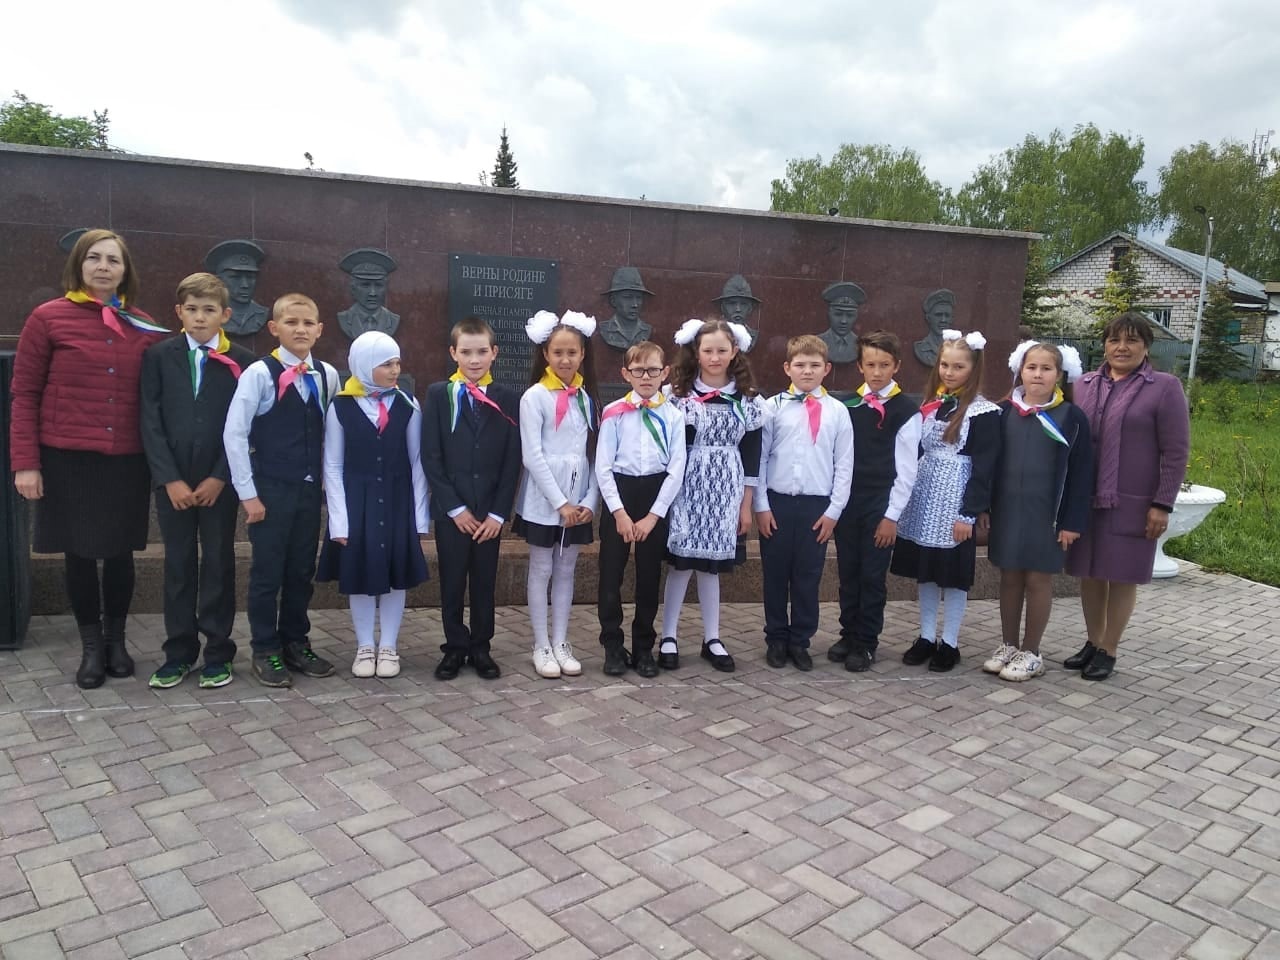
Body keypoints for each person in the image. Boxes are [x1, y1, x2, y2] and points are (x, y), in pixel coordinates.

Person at [10, 229, 169, 689]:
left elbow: (156, 397)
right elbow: (25, 393)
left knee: (120, 553)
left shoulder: (143, 325)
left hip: (126, 460)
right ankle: (92, 646)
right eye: (94, 258)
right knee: (78, 553)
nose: (103, 267)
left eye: (113, 260)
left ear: (125, 270)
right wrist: (26, 462)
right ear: (78, 265)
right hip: (68, 459)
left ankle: (117, 641)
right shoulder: (48, 318)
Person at [140, 273, 256, 690]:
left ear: (225, 314)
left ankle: (219, 653)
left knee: (219, 563)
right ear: (179, 312)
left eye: (209, 310)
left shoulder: (243, 361)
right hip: (173, 482)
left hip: (216, 484)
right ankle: (178, 653)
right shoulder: (159, 356)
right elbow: (150, 421)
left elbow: (246, 425)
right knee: (178, 564)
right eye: (192, 309)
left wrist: (220, 476)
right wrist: (168, 479)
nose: (200, 317)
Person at [223, 293, 342, 687]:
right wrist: (248, 494)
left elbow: (330, 433)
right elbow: (235, 434)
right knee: (267, 572)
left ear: (320, 329)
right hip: (270, 491)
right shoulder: (259, 374)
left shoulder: (326, 375)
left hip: (308, 491)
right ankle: (265, 648)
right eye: (291, 322)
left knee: (300, 571)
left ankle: (295, 641)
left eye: (308, 323)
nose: (300, 329)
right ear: (274, 328)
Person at [1064, 313, 1189, 680]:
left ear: (1146, 346)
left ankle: (1109, 648)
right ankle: (1092, 641)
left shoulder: (1164, 387)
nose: (1122, 347)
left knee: (1121, 575)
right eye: (1114, 339)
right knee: (1089, 573)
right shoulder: (1083, 384)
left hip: (1133, 501)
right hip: (1086, 498)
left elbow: (1176, 451)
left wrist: (1162, 503)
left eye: (1132, 340)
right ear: (1104, 344)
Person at [316, 332, 429, 678]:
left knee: (395, 575)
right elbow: (332, 465)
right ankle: (365, 644)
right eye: (386, 364)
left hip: (397, 501)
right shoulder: (341, 406)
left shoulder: (408, 404)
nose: (395, 370)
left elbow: (417, 462)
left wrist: (420, 517)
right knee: (361, 572)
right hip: (357, 502)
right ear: (365, 366)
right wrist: (339, 521)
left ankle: (389, 645)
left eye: (397, 363)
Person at [892, 329, 1001, 672]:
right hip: (925, 497)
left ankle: (950, 641)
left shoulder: (983, 413)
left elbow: (985, 467)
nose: (949, 372)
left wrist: (969, 513)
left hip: (955, 500)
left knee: (952, 575)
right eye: (944, 365)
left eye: (958, 367)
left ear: (973, 368)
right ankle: (926, 636)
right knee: (927, 570)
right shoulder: (932, 405)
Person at [661, 318, 766, 673]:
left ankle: (712, 638)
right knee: (681, 563)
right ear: (696, 352)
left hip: (727, 487)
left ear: (734, 352)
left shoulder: (747, 400)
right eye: (708, 350)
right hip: (686, 484)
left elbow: (752, 455)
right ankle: (669, 635)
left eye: (722, 350)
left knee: (711, 568)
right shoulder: (678, 396)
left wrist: (746, 506)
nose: (715, 357)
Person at [983, 342, 1093, 682]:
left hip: (1048, 514)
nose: (1038, 374)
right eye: (1032, 367)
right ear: (1020, 371)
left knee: (1037, 578)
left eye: (1047, 369)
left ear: (1059, 375)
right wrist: (985, 507)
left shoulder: (1071, 417)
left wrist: (1072, 521)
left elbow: (1082, 473)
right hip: (1008, 510)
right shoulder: (1003, 412)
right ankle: (1008, 644)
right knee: (1010, 576)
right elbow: (987, 463)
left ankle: (1032, 652)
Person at [421, 316, 521, 681]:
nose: (474, 359)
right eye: (466, 352)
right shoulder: (438, 395)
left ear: (494, 353)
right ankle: (454, 646)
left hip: (488, 513)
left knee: (483, 581)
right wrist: (454, 508)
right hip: (454, 513)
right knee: (451, 580)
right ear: (453, 353)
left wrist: (498, 514)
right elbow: (431, 456)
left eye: (481, 352)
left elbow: (512, 461)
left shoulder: (509, 398)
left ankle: (481, 646)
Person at [756, 335, 853, 670]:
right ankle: (776, 638)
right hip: (777, 504)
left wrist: (834, 511)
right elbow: (760, 459)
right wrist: (761, 506)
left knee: (807, 576)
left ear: (827, 368)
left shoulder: (837, 412)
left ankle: (800, 640)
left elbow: (844, 464)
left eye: (814, 365)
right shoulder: (771, 408)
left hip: (816, 507)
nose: (807, 371)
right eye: (800, 364)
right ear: (787, 368)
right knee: (775, 575)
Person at [829, 331, 921, 672]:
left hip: (880, 504)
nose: (877, 372)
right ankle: (848, 633)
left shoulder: (906, 411)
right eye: (870, 364)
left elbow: (907, 471)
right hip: (848, 501)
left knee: (871, 575)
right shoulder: (847, 406)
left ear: (896, 366)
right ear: (860, 366)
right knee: (848, 572)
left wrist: (891, 516)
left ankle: (866, 642)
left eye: (884, 365)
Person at [515, 310, 600, 679]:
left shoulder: (586, 397)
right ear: (545, 354)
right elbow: (532, 456)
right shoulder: (534, 397)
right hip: (544, 500)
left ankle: (561, 640)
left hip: (577, 501)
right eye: (558, 352)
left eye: (572, 352)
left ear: (583, 355)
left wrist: (588, 501)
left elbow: (593, 453)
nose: (565, 360)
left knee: (567, 569)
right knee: (542, 568)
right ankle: (541, 644)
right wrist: (559, 502)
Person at [595, 341, 687, 678]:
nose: (646, 377)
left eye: (653, 370)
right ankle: (612, 645)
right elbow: (603, 466)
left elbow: (677, 468)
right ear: (626, 374)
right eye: (638, 370)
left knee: (649, 577)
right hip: (620, 494)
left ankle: (644, 646)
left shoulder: (674, 416)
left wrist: (653, 515)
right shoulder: (614, 412)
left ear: (665, 373)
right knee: (611, 575)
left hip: (655, 495)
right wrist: (619, 513)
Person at [204, 240, 268, 337]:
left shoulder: (262, 314)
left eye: (250, 277)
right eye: (235, 277)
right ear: (219, 280)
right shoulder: (209, 313)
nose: (245, 285)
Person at [336, 248, 400, 339]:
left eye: (378, 285)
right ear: (353, 289)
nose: (372, 293)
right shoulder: (344, 318)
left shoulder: (393, 320)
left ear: (386, 288)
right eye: (365, 285)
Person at [598, 267, 654, 350]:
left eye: (639, 298)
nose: (635, 304)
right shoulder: (605, 328)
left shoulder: (647, 330)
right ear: (613, 301)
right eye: (628, 297)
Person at [817, 281, 865, 364]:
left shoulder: (860, 345)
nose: (844, 321)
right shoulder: (817, 343)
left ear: (856, 317)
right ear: (829, 314)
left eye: (850, 315)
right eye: (838, 314)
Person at [913, 290, 955, 367]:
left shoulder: (957, 349)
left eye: (947, 315)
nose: (943, 320)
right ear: (928, 318)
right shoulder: (921, 348)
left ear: (951, 319)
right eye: (938, 315)